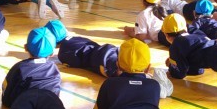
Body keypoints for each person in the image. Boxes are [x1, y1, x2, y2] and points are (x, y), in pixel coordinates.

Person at [45, 19, 173, 98]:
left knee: (122, 75)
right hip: (108, 49)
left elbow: (75, 62)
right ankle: (148, 76)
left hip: (101, 60)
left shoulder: (62, 53)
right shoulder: (75, 37)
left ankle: (151, 83)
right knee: (133, 62)